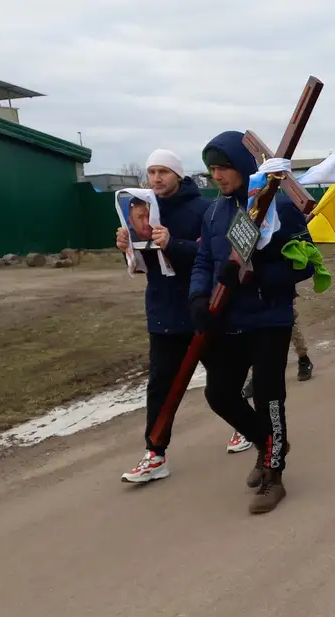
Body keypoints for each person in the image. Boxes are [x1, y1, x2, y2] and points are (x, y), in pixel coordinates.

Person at [189, 131, 315, 514]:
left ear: (243, 166)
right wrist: (197, 296)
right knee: (220, 393)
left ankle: (274, 475)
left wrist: (255, 274)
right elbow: (204, 262)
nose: (217, 175)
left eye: (223, 167)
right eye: (212, 169)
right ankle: (267, 442)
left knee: (268, 394)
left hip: (269, 318)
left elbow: (305, 264)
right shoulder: (213, 212)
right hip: (228, 319)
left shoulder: (276, 207)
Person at [119, 149, 211, 484]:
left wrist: (174, 243)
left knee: (223, 381)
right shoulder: (140, 210)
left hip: (202, 308)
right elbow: (145, 267)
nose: (157, 178)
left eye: (164, 172)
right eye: (152, 172)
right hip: (162, 311)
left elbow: (211, 255)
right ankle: (155, 454)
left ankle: (244, 428)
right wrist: (129, 248)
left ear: (178, 175)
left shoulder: (202, 209)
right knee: (160, 385)